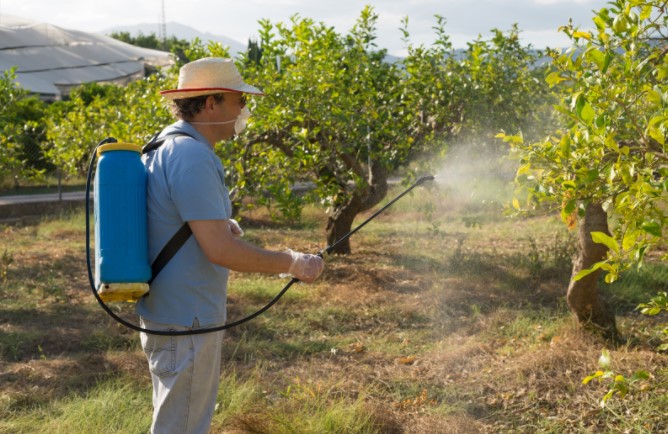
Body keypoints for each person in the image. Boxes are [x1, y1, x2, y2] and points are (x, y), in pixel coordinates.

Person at [136, 57, 325, 434]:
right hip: (187, 320)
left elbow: (169, 218)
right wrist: (292, 262)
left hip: (169, 313)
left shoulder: (165, 144)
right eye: (238, 100)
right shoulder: (192, 156)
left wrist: (217, 224)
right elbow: (220, 251)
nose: (244, 110)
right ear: (211, 103)